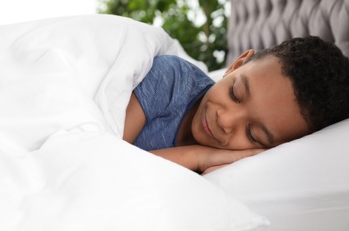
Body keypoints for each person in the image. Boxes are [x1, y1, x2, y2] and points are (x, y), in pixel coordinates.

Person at [123, 36, 349, 174]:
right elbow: (106, 162)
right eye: (235, 93)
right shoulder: (171, 80)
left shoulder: (234, 169)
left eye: (253, 134)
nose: (225, 120)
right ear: (236, 65)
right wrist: (198, 156)